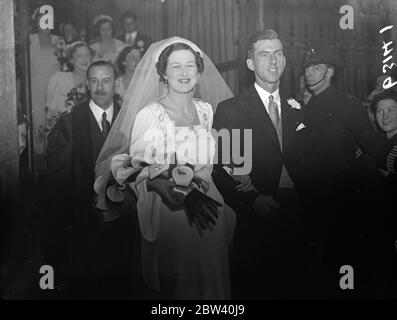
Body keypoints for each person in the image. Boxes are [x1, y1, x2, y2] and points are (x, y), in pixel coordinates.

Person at [95, 37, 236, 299]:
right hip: (173, 215)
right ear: (163, 73)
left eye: (190, 66)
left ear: (199, 70)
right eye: (176, 67)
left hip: (211, 211)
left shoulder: (207, 112)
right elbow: (136, 171)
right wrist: (162, 185)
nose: (184, 73)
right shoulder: (150, 114)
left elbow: (217, 162)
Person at [212, 29, 307, 299]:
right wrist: (252, 200)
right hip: (256, 218)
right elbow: (224, 167)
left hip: (299, 217)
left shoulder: (297, 108)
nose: (273, 61)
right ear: (251, 64)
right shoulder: (231, 109)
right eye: (264, 55)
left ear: (285, 61)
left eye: (278, 53)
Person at [300, 40, 397, 299]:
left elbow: (374, 144)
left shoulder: (347, 104)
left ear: (330, 71)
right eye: (307, 68)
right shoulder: (305, 110)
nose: (309, 72)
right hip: (310, 207)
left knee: (344, 274)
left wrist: (389, 160)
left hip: (342, 208)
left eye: (316, 67)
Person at [29, 8, 60, 174]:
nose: (46, 23)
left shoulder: (58, 41)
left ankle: (55, 164)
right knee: (38, 123)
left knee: (55, 121)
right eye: (42, 19)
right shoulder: (29, 40)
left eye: (49, 19)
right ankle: (38, 167)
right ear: (36, 21)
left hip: (55, 86)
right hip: (36, 87)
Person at [45, 41, 92, 134]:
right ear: (71, 60)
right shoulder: (58, 79)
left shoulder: (93, 82)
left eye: (87, 55)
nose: (84, 60)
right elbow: (50, 114)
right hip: (62, 136)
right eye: (79, 56)